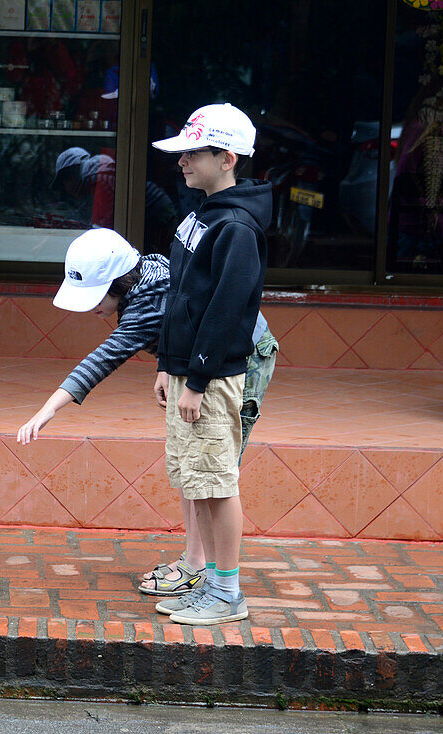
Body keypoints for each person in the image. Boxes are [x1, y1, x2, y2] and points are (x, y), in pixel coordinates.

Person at [17, 219, 277, 600]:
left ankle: (211, 576)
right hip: (195, 365)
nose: (90, 308)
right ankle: (194, 563)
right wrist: (166, 366)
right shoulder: (151, 267)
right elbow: (177, 317)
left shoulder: (142, 309)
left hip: (236, 363)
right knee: (192, 465)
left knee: (210, 473)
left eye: (95, 296)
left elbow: (102, 359)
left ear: (119, 284)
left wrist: (47, 410)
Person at [149, 103, 273, 626]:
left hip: (213, 378)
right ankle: (209, 586)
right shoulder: (199, 213)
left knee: (218, 484)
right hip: (186, 372)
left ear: (227, 157)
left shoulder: (238, 227)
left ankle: (227, 593)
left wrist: (196, 379)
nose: (182, 161)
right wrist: (165, 362)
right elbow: (180, 295)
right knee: (196, 481)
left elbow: (226, 311)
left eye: (193, 152)